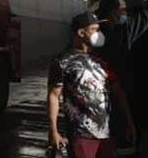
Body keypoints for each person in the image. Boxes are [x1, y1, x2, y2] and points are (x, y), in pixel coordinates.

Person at [48, 12, 135, 158]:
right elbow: (54, 96)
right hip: (81, 135)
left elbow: (118, 92)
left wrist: (129, 122)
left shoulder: (101, 62)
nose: (98, 34)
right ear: (81, 33)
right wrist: (53, 131)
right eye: (94, 29)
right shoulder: (62, 62)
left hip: (106, 133)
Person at [93, 0, 148, 154]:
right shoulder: (125, 30)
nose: (125, 14)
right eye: (122, 11)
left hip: (96, 98)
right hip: (119, 94)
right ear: (113, 12)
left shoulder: (91, 31)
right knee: (124, 137)